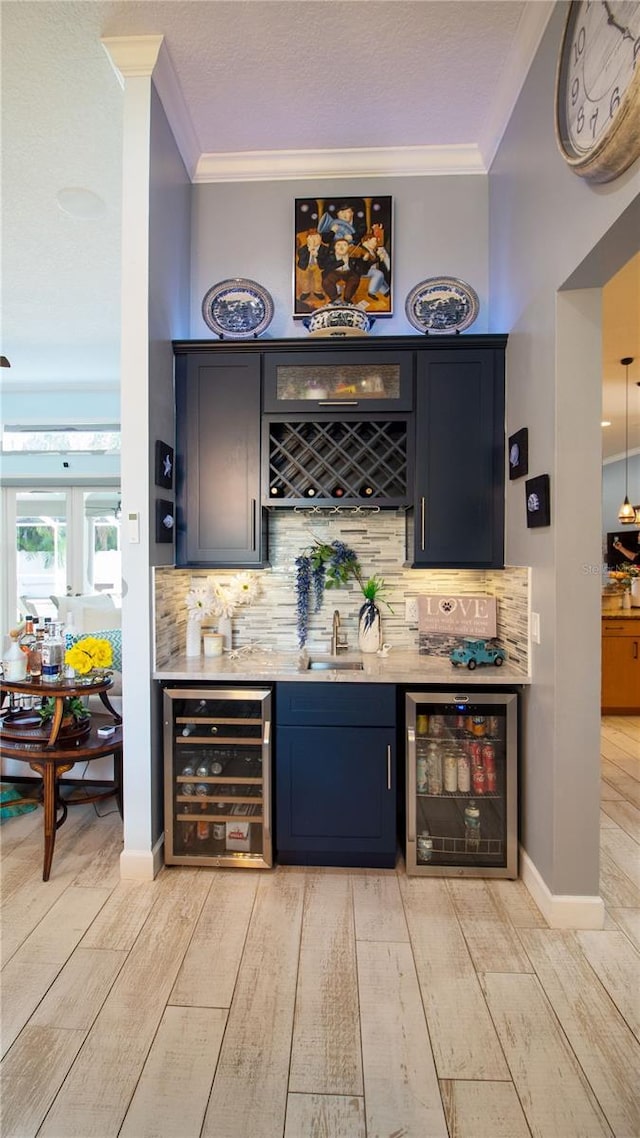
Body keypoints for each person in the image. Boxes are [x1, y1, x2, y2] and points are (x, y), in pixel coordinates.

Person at [317, 236, 364, 303]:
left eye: (344, 245)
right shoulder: (330, 256)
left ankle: (347, 298)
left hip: (348, 272)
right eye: (338, 245)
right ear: (334, 247)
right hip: (335, 272)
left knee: (354, 280)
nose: (341, 247)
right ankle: (334, 298)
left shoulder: (353, 256)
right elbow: (324, 267)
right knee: (326, 281)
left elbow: (360, 268)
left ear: (348, 247)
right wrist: (340, 262)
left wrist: (363, 260)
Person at [296, 230, 325, 301]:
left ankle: (318, 291)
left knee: (319, 279)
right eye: (311, 237)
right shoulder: (303, 249)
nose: (314, 239)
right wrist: (309, 250)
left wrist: (317, 255)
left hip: (318, 265)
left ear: (320, 238)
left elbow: (325, 257)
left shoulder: (324, 249)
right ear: (307, 239)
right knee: (304, 278)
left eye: (317, 237)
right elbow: (301, 256)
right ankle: (306, 292)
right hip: (306, 265)